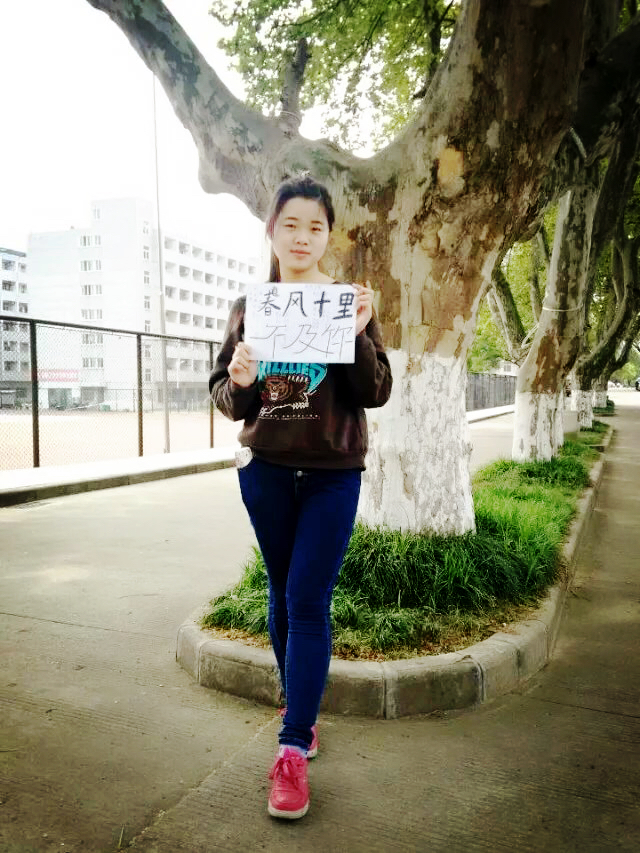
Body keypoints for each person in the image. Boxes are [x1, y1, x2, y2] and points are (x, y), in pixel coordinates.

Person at [209, 175, 392, 820]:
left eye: (316, 226)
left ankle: (291, 747)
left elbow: (375, 391)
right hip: (266, 472)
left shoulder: (348, 303)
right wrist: (240, 380)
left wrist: (360, 333)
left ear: (328, 236)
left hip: (333, 474)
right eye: (291, 224)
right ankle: (302, 709)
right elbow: (228, 397)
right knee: (282, 592)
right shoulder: (250, 307)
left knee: (308, 599)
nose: (302, 237)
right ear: (272, 231)